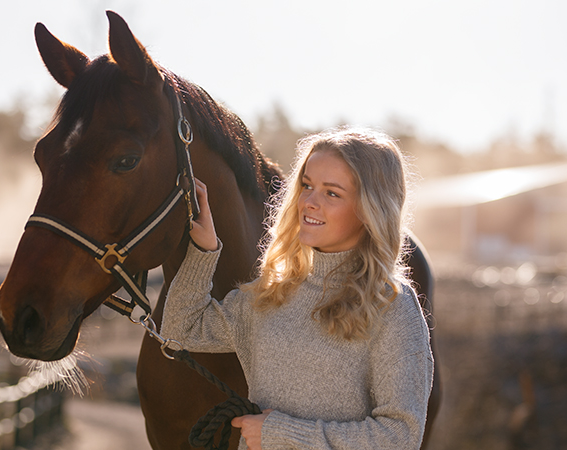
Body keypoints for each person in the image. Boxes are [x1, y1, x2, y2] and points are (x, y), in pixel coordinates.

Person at [161, 126, 434, 450]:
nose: (309, 202)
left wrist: (281, 434)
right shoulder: (274, 291)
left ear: (369, 208)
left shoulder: (392, 307)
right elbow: (180, 330)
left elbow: (400, 438)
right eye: (307, 185)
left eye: (331, 193)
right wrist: (203, 251)